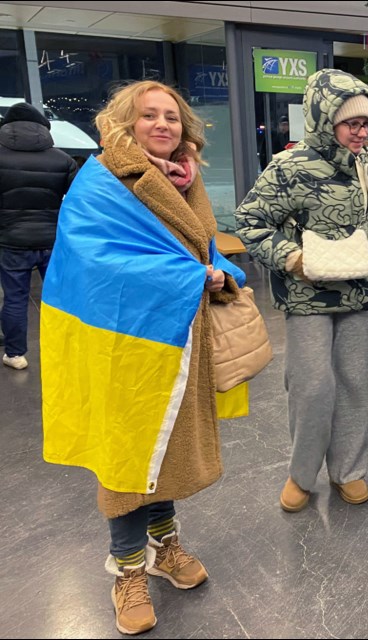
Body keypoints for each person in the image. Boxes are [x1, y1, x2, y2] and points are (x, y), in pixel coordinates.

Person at [41, 80, 243, 635]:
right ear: (125, 123)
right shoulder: (101, 179)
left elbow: (203, 246)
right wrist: (189, 276)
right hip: (120, 345)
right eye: (149, 115)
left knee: (166, 455)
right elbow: (95, 262)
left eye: (172, 117)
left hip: (178, 340)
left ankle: (166, 547)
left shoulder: (186, 177)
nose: (162, 125)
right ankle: (127, 570)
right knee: (127, 457)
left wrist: (225, 275)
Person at [235, 69, 368, 511]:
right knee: (312, 386)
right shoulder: (289, 167)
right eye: (350, 123)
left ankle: (348, 470)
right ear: (323, 118)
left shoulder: (365, 163)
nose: (360, 132)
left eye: (365, 124)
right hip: (307, 298)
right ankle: (302, 475)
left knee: (354, 384)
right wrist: (292, 258)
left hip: (356, 293)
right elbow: (249, 222)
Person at [0, 102, 77, 370]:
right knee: (62, 298)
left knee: (15, 298)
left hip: (11, 241)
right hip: (52, 241)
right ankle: (70, 351)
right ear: (44, 128)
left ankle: (15, 354)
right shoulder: (63, 159)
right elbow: (76, 202)